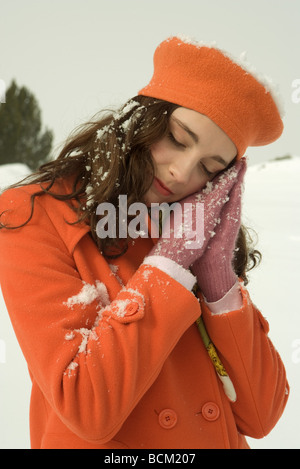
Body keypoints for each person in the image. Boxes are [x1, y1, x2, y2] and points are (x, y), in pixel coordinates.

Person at [0, 35, 289, 449]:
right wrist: (168, 266)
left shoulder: (198, 238)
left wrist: (219, 281)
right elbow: (87, 406)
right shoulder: (33, 214)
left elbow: (262, 416)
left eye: (209, 167)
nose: (181, 173)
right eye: (177, 138)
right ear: (144, 118)